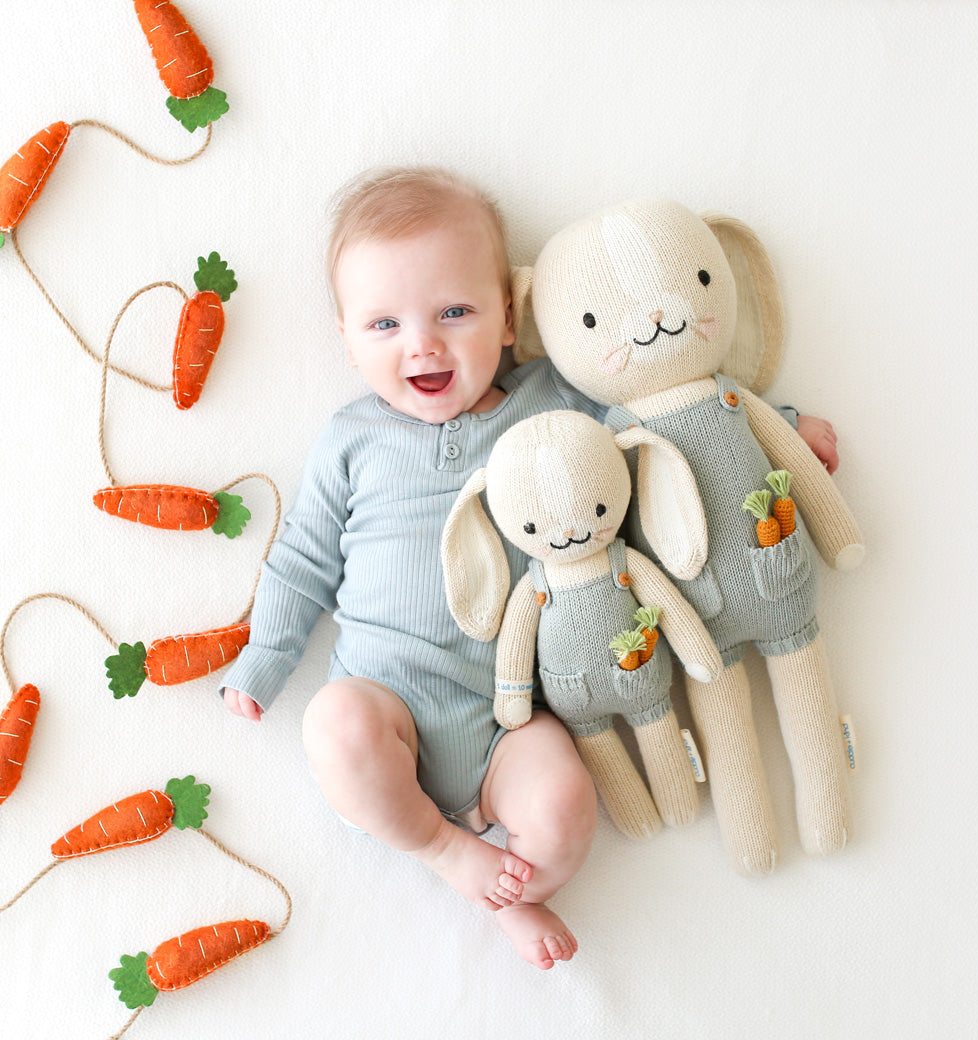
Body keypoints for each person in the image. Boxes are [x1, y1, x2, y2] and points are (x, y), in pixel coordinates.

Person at [219, 166, 841, 969]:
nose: (423, 343)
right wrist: (264, 658)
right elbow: (302, 558)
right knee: (333, 725)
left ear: (510, 315)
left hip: (507, 720)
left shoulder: (552, 401)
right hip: (386, 703)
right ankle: (445, 852)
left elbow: (665, 419)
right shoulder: (352, 438)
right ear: (346, 337)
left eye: (455, 312)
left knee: (565, 802)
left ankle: (512, 889)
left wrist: (779, 427)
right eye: (384, 324)